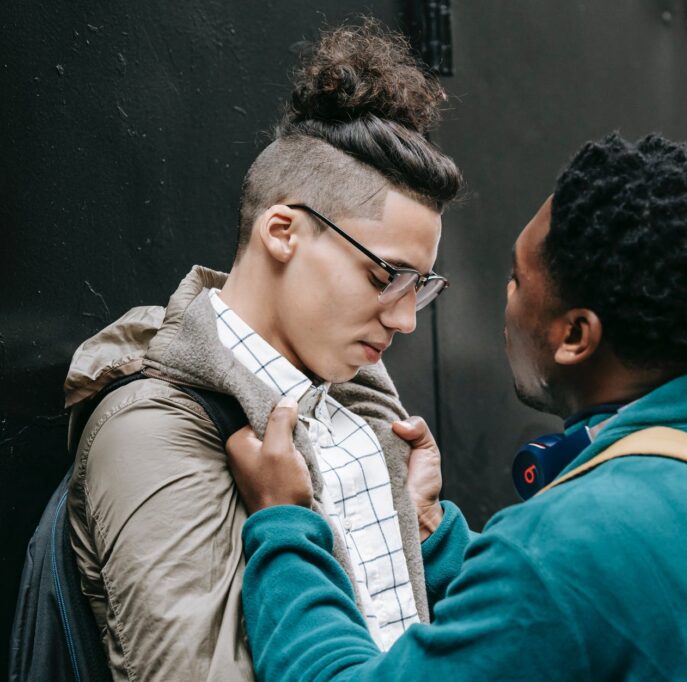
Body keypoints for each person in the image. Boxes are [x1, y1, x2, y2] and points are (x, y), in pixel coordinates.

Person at [227, 133, 687, 680]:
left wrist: (286, 525)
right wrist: (431, 528)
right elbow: (554, 634)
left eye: (518, 281)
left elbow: (556, 590)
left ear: (575, 336)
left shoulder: (566, 544)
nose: (406, 320)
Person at [63, 20, 460, 680]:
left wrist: (419, 525)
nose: (405, 321)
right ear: (283, 232)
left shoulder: (353, 407)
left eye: (419, 289)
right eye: (384, 276)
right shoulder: (152, 429)